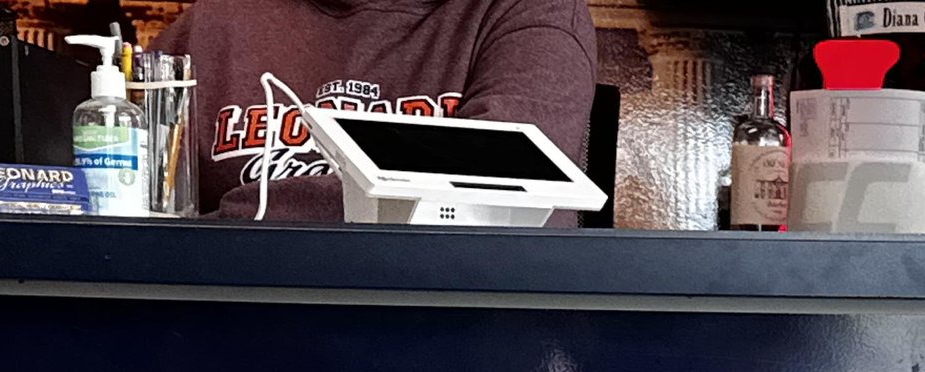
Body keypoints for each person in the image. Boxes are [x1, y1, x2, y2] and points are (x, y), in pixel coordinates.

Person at [153, 0, 597, 221]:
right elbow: (119, 208)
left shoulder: (531, 12)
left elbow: (482, 199)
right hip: (231, 336)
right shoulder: (211, 24)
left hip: (456, 343)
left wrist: (223, 228)